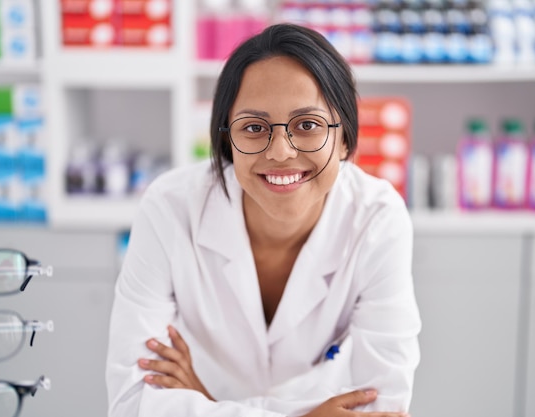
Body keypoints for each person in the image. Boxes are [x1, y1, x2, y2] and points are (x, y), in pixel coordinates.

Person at [106, 23, 421, 417]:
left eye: (307, 125)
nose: (280, 152)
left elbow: (384, 407)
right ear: (226, 143)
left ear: (344, 138)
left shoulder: (377, 219)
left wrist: (202, 405)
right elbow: (130, 402)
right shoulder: (170, 208)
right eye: (254, 128)